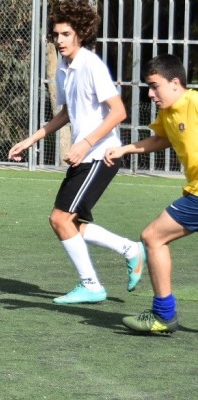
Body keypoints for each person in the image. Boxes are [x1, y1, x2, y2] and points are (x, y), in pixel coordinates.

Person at [7, 0, 144, 304]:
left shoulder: (91, 64)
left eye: (66, 34)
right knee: (71, 223)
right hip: (87, 156)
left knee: (60, 219)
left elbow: (118, 111)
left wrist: (84, 143)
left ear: (80, 34)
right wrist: (32, 140)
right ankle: (130, 249)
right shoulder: (65, 69)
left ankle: (91, 285)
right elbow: (67, 113)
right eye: (56, 35)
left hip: (102, 155)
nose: (60, 40)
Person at [104, 54, 193, 333]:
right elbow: (161, 139)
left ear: (175, 82)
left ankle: (163, 315)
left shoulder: (194, 103)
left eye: (155, 86)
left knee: (153, 237)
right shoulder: (168, 113)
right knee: (153, 237)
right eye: (148, 87)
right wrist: (125, 149)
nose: (151, 94)